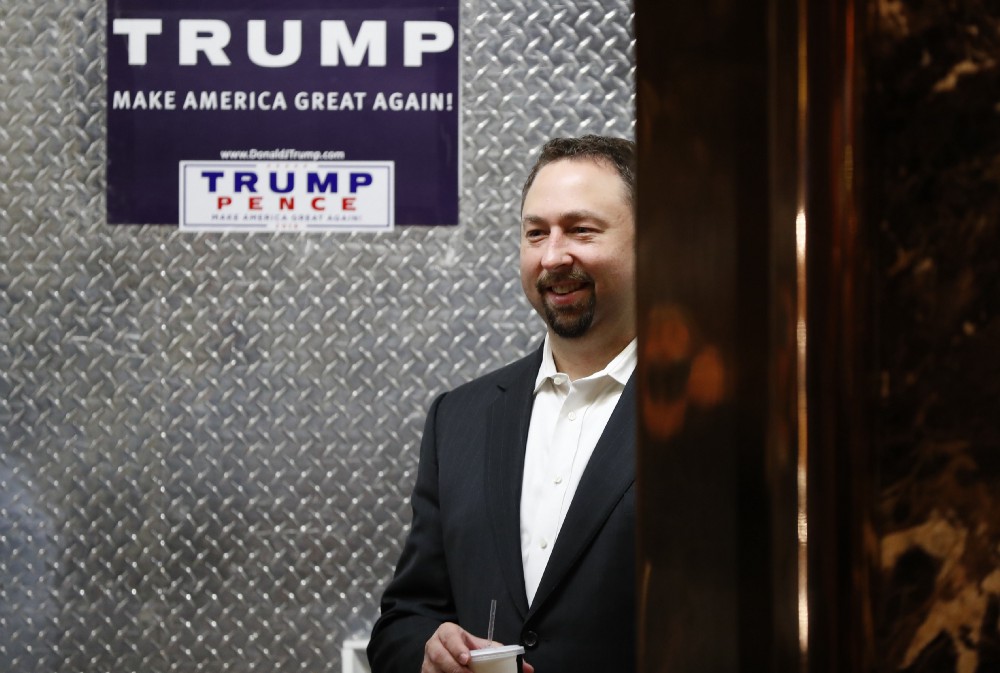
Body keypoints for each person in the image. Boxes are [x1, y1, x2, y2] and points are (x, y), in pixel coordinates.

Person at [368, 135, 637, 673]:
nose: (553, 255)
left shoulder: (709, 418)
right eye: (536, 233)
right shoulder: (459, 419)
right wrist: (427, 650)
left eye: (581, 230)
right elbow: (405, 616)